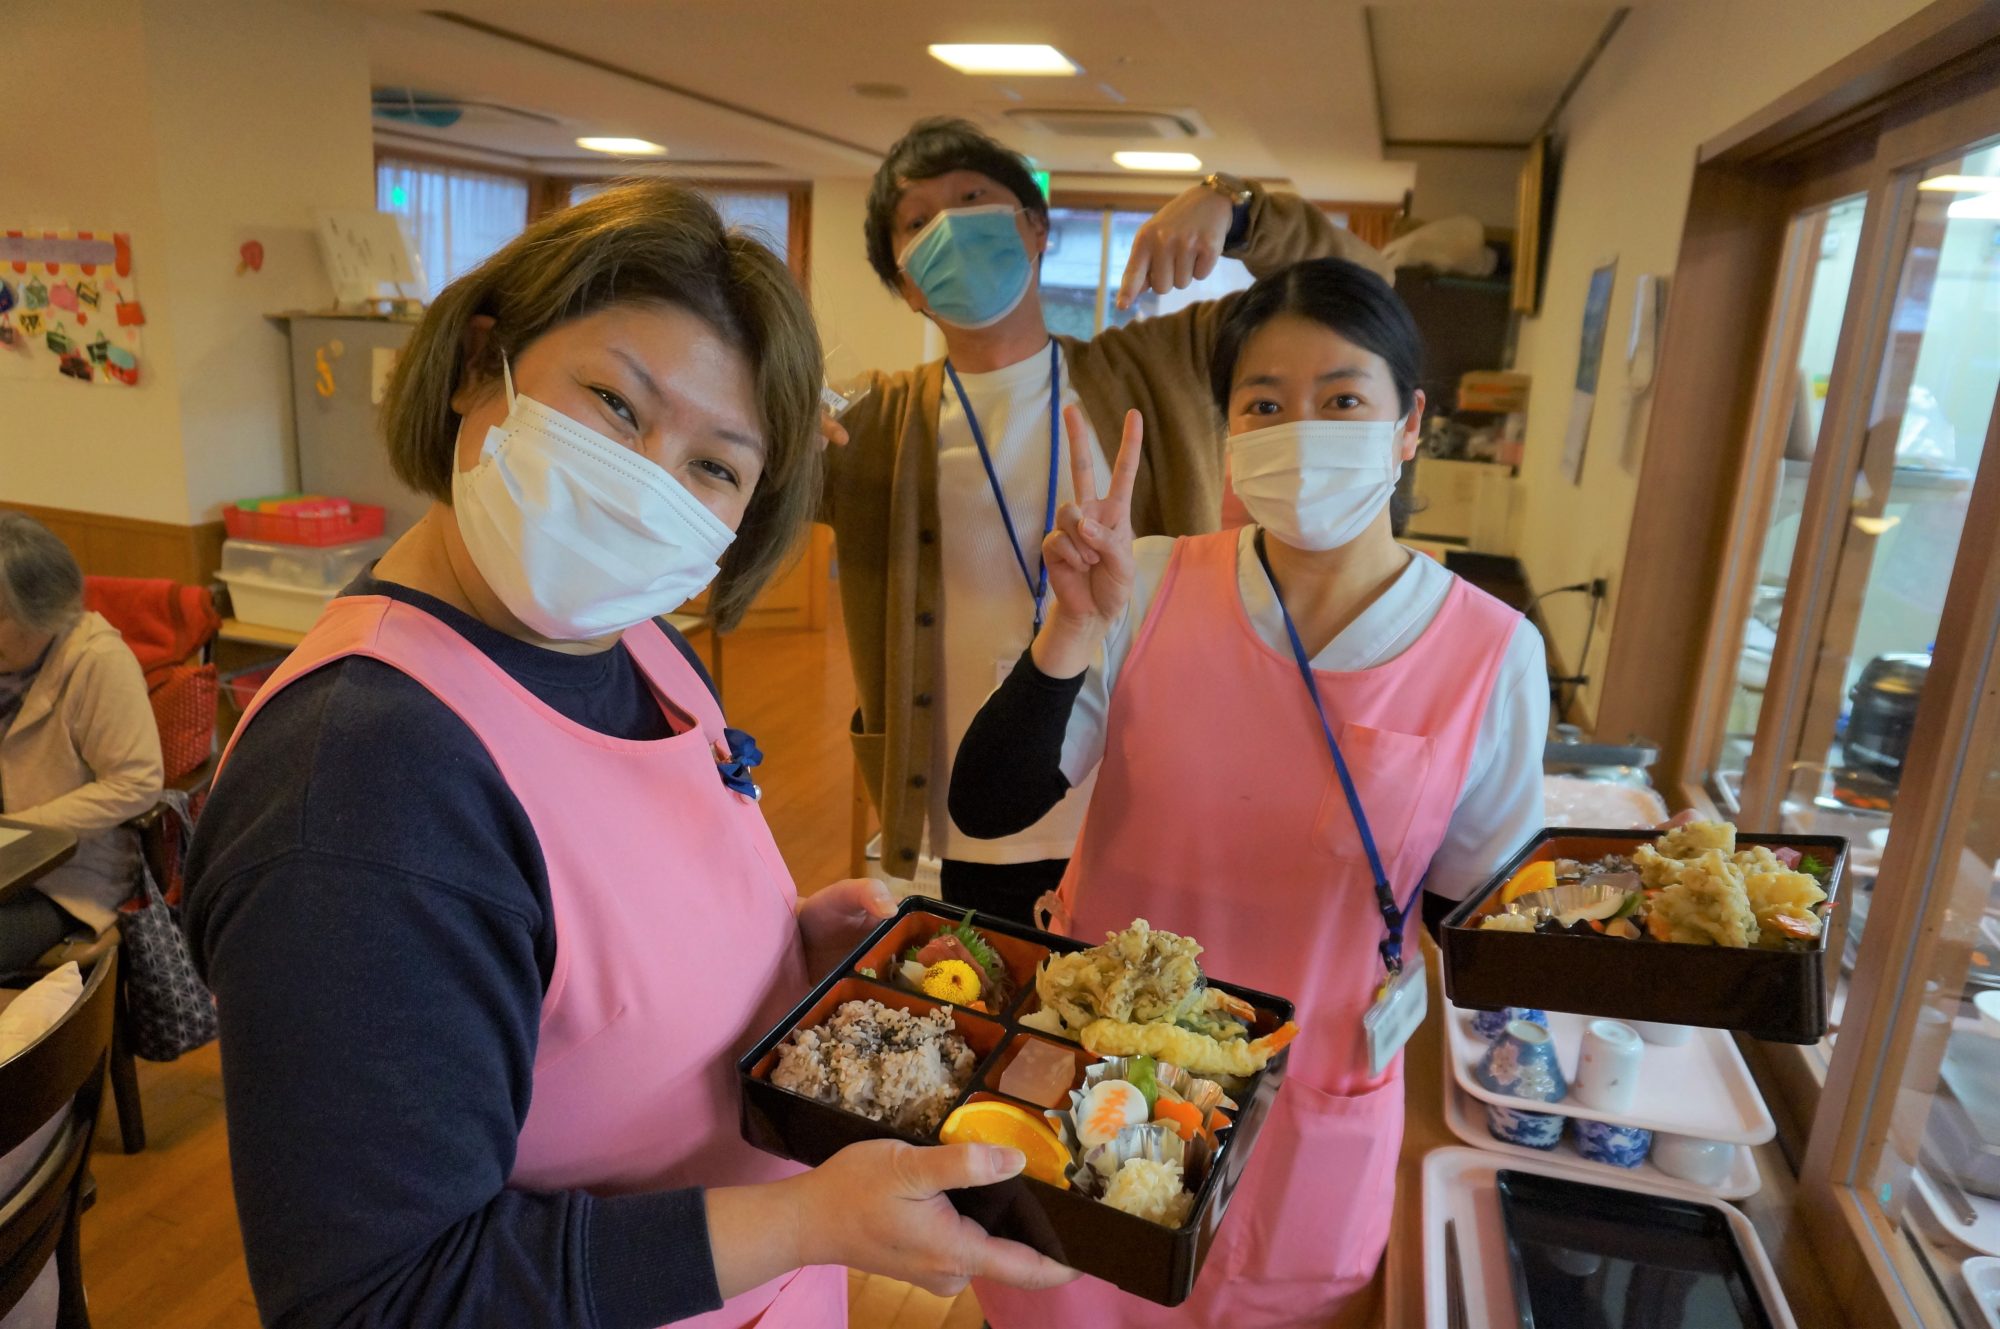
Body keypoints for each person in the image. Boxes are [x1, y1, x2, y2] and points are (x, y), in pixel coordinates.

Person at [182, 182, 1075, 1329]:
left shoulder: (638, 645)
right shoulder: (362, 785)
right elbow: (378, 1300)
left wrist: (775, 954)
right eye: (615, 403)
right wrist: (807, 1221)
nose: (651, 482)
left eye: (714, 466)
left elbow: (588, 946)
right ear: (479, 365)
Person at [951, 258, 1549, 1328]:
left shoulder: (1489, 654)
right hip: (1099, 1067)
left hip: (1305, 1097)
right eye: (1264, 404)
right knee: (1066, 1301)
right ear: (1228, 430)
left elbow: (1474, 919)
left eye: (1342, 399)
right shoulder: (1145, 584)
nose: (1302, 430)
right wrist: (1071, 627)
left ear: (1409, 424)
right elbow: (987, 804)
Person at [822, 117, 1392, 923]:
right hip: (973, 812)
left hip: (1147, 801)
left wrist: (1237, 210)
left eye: (973, 199)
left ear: (1036, 229)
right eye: (918, 221)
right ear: (907, 282)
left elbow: (1363, 295)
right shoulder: (871, 421)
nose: (950, 226)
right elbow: (736, 504)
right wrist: (763, 416)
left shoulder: (1162, 363)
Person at [0, 512, 162, 975]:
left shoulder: (97, 661)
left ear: (44, 613)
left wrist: (21, 831)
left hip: (64, 876)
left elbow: (136, 783)